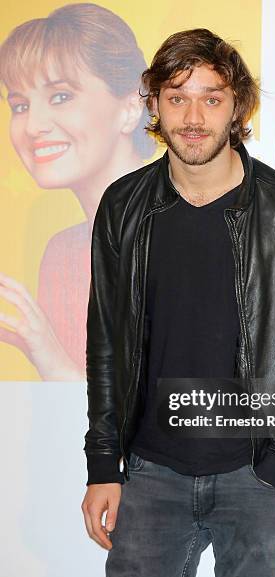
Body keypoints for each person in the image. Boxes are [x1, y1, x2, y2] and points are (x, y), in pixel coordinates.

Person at [81, 28, 275, 577]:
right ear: (152, 104)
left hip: (252, 473)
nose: (193, 116)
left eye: (212, 97)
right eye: (177, 97)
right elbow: (105, 343)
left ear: (237, 106)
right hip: (150, 472)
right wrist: (104, 464)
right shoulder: (123, 209)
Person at [0, 3, 155, 379]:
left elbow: (200, 415)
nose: (33, 125)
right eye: (19, 105)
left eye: (60, 97)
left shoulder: (200, 230)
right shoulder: (62, 254)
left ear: (130, 108)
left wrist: (52, 361)